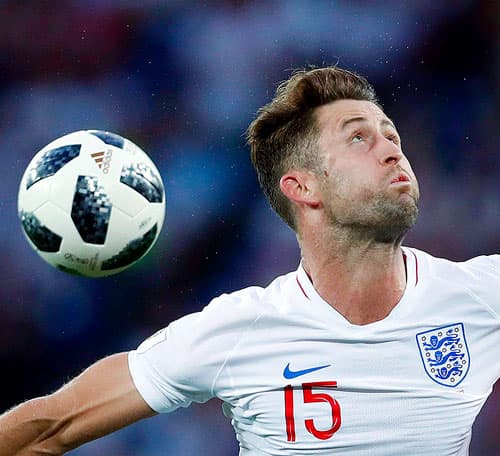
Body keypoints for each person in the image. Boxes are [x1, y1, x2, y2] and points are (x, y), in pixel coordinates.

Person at [1, 67, 499, 455]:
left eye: (390, 134)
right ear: (302, 187)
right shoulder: (239, 329)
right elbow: (53, 427)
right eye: (358, 137)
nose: (392, 149)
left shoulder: (481, 294)